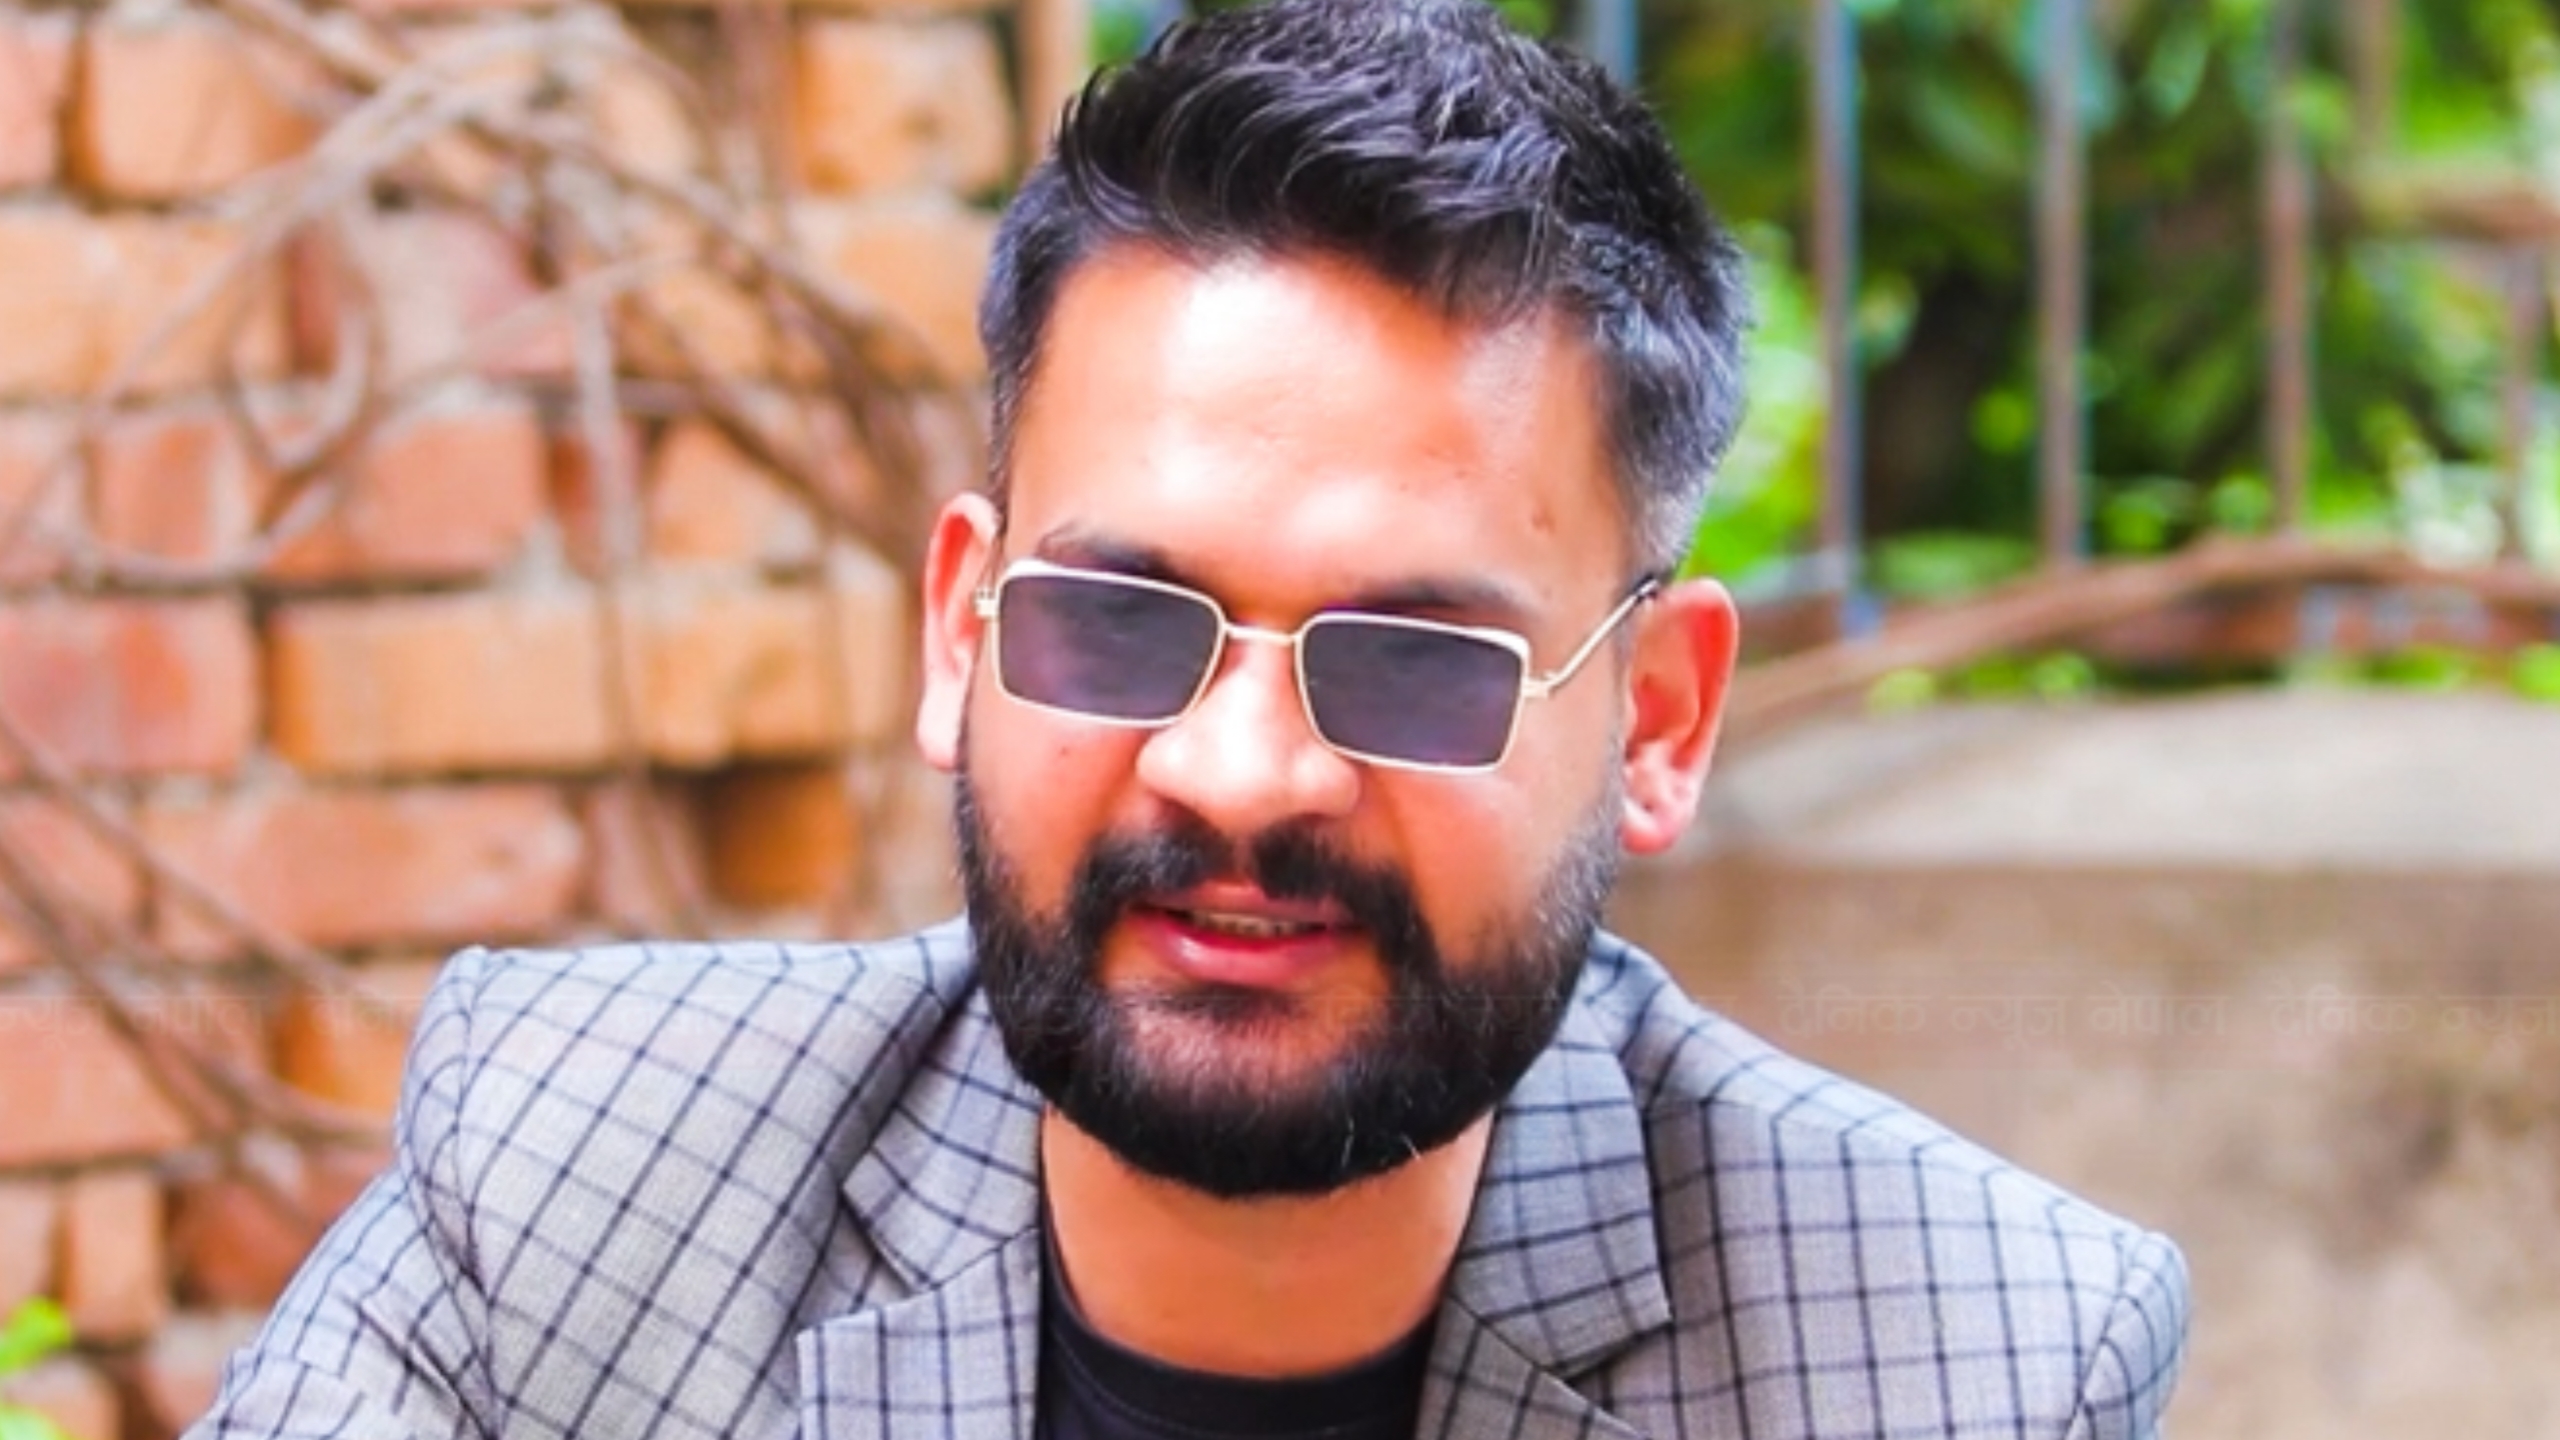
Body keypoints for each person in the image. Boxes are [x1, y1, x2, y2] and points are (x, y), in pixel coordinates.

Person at [191, 2, 2188, 1437]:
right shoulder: (577, 1179)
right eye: (1119, 625)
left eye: (1411, 663)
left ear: (1655, 719)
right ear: (961, 630)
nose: (1239, 773)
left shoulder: (1959, 1360)